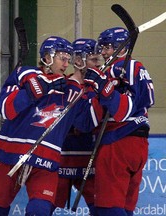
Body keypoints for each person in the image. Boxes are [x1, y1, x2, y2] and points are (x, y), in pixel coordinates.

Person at [0, 36, 105, 215]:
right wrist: (39, 87)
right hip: (12, 154)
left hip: (46, 160)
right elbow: (7, 109)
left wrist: (97, 91)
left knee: (40, 210)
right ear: (48, 57)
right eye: (63, 58)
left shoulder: (72, 90)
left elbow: (86, 123)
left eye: (68, 60)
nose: (66, 64)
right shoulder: (25, 74)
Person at [83, 27, 155, 216]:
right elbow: (148, 100)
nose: (103, 52)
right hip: (139, 144)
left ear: (120, 47)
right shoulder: (137, 67)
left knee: (108, 208)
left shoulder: (120, 67)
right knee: (125, 207)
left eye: (107, 47)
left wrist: (102, 86)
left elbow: (123, 110)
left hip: (118, 141)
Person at [53, 38, 101, 216]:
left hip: (89, 157)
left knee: (99, 207)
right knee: (45, 205)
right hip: (63, 156)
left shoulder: (96, 87)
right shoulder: (62, 86)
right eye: (94, 60)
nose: (98, 65)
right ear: (79, 61)